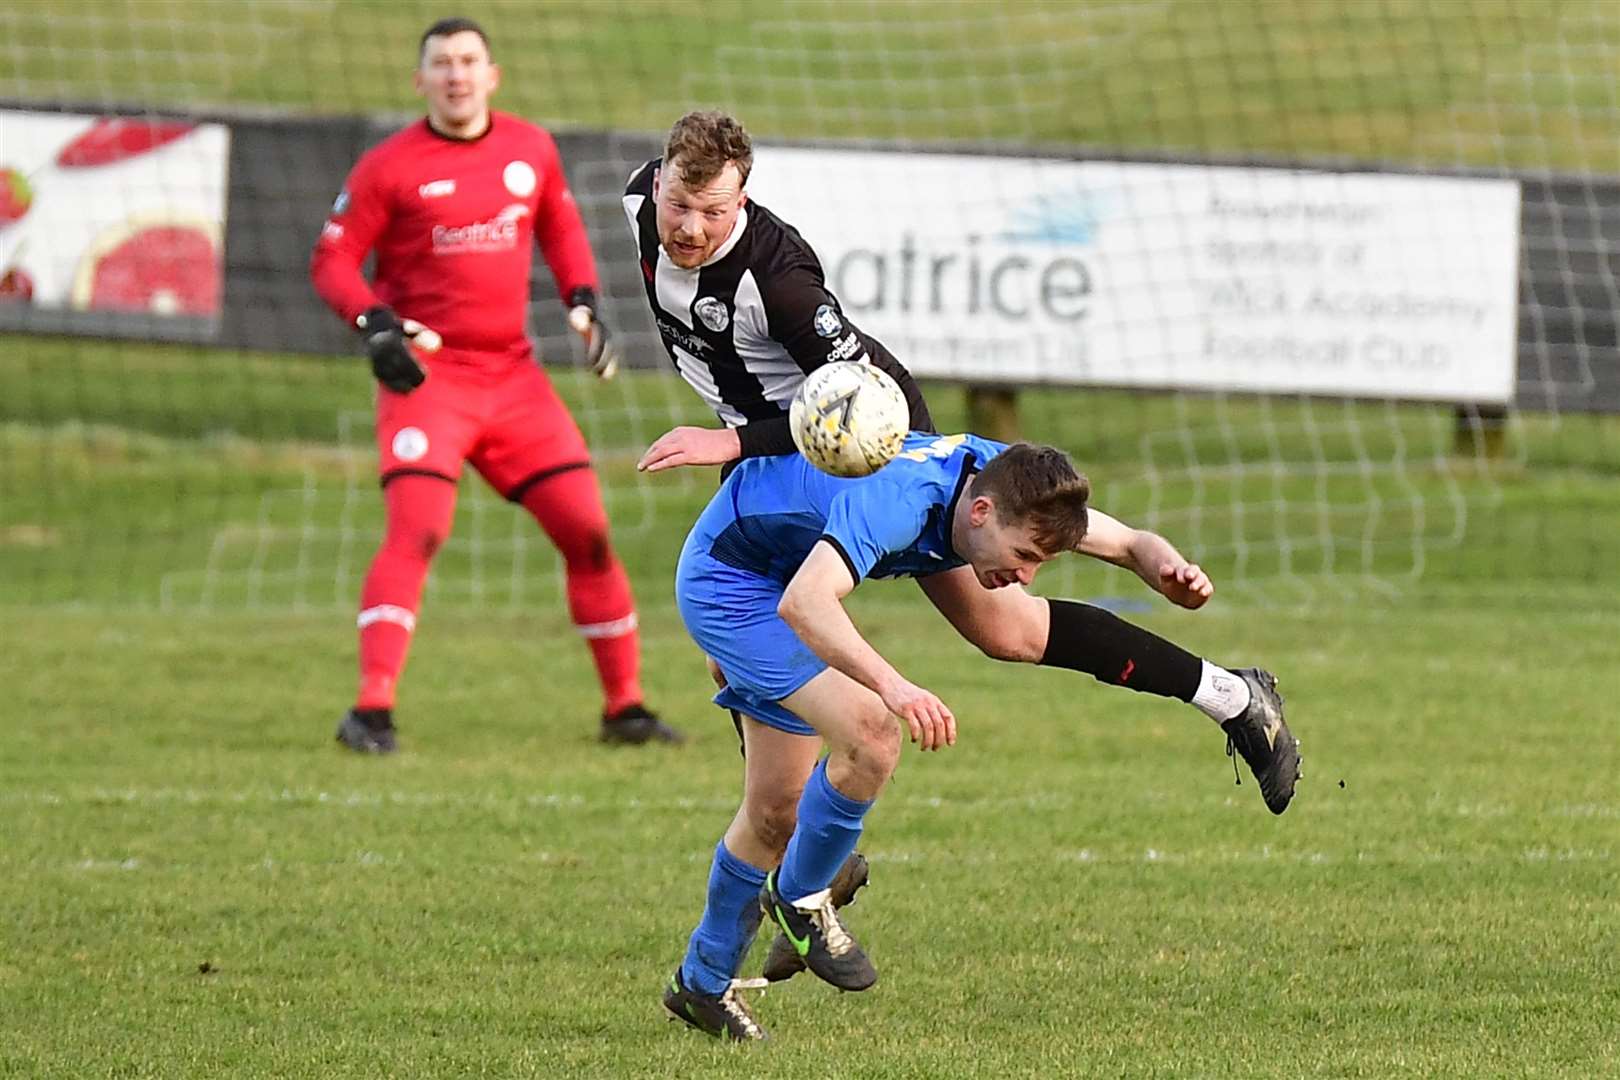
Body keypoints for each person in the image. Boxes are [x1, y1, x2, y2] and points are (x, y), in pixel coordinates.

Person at [625, 112, 1300, 1005]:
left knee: (999, 626)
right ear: (662, 183)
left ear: (743, 197)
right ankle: (789, 880)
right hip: (812, 504)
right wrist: (1136, 552)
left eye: (711, 210)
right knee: (802, 700)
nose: (689, 226)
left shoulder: (784, 285)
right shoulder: (644, 201)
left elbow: (858, 404)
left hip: (853, 444)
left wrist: (734, 445)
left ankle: (1230, 697)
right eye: (679, 203)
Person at [658, 433, 1301, 1040]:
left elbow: (1129, 541)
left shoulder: (1007, 483)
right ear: (981, 512)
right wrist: (895, 685)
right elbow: (806, 604)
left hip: (783, 568)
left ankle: (703, 984)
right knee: (874, 732)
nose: (1026, 576)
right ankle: (800, 898)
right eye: (1023, 557)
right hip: (734, 585)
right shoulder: (901, 501)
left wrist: (1162, 566)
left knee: (775, 814)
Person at [309, 17, 681, 753]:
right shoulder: (388, 166)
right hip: (430, 379)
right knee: (418, 530)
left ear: (492, 75)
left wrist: (582, 300)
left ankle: (626, 708)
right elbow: (333, 263)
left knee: (590, 532)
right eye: (441, 63)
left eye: (468, 61)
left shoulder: (529, 148)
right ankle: (371, 710)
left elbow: (561, 228)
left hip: (513, 379)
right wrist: (376, 324)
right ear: (420, 81)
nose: (455, 74)